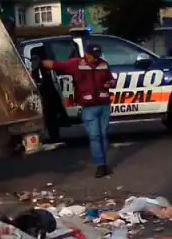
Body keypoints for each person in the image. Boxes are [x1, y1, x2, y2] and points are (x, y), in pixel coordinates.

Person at [37, 43, 115, 178]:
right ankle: (100, 165)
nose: (95, 59)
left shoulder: (103, 64)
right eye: (93, 56)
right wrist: (40, 63)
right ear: (86, 53)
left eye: (97, 56)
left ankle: (103, 161)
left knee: (103, 135)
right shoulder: (76, 64)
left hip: (104, 105)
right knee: (95, 136)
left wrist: (111, 83)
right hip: (89, 107)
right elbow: (56, 65)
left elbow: (111, 79)